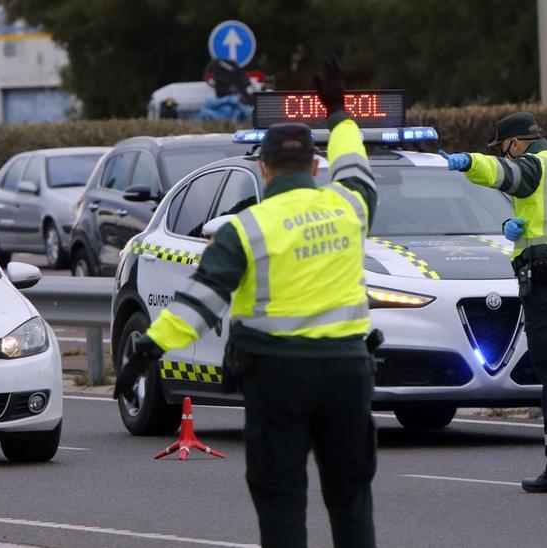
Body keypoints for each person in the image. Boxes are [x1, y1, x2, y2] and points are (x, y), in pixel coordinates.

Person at [118, 56, 378, 548]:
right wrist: (340, 117)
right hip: (347, 373)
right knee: (350, 498)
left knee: (281, 501)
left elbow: (198, 304)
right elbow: (356, 166)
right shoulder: (350, 208)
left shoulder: (245, 228)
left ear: (264, 166)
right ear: (316, 166)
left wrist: (146, 351)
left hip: (277, 379)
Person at [439, 113, 547, 494]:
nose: (506, 156)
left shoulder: (531, 165)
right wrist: (519, 227)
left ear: (514, 143)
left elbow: (506, 176)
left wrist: (470, 162)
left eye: (505, 149)